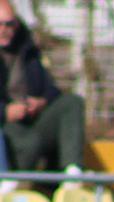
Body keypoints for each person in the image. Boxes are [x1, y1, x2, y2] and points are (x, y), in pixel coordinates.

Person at [0, 0, 85, 187]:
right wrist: (6, 111)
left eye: (10, 24)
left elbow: (51, 88)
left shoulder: (27, 49)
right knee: (30, 142)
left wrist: (42, 101)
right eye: (1, 24)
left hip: (31, 119)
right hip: (7, 127)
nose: (6, 29)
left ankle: (73, 174)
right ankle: (12, 185)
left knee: (72, 102)